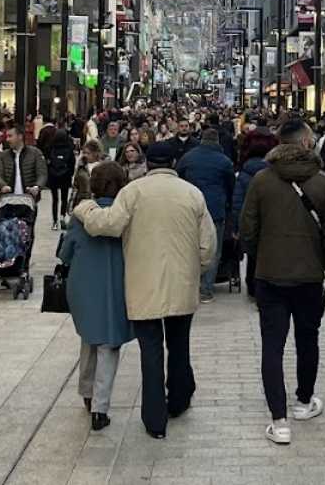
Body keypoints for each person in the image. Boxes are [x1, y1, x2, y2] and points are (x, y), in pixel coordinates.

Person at [70, 140, 215, 439]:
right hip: (181, 284)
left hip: (142, 284)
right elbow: (207, 245)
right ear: (174, 163)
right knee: (179, 345)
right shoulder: (192, 194)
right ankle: (178, 400)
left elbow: (107, 225)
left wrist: (84, 207)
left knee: (150, 352)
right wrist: (194, 271)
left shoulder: (133, 192)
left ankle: (155, 420)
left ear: (148, 164)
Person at [240, 120, 325, 446]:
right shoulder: (324, 182)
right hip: (309, 277)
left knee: (272, 344)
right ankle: (303, 400)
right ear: (307, 143)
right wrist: (319, 260)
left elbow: (248, 229)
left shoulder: (262, 180)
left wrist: (261, 256)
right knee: (307, 338)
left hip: (271, 275)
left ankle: (279, 420)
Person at [59, 163, 135, 431]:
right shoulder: (126, 215)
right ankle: (100, 409)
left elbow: (65, 253)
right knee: (108, 345)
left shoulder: (82, 216)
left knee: (90, 339)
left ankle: (87, 394)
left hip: (83, 286)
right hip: (116, 285)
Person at [175, 128, 235, 303]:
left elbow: (178, 176)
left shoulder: (188, 157)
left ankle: (189, 286)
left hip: (189, 208)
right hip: (215, 209)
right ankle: (206, 290)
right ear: (217, 141)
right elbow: (231, 186)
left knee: (189, 247)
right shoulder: (224, 161)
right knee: (212, 250)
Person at [233, 128, 279, 299]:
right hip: (272, 220)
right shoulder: (276, 172)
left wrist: (237, 227)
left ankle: (252, 285)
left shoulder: (244, 173)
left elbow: (238, 201)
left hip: (251, 219)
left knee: (253, 254)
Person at [0, 123, 47, 200]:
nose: (7, 139)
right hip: (8, 199)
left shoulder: (35, 153)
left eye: (10, 136)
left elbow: (42, 173)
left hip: (29, 199)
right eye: (6, 136)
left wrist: (37, 187)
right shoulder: (3, 155)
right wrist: (2, 185)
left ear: (20, 136)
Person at [44, 126, 77, 230]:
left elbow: (47, 162)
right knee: (64, 198)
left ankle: (54, 222)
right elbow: (72, 163)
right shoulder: (69, 148)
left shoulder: (50, 148)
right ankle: (62, 217)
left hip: (53, 176)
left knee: (55, 199)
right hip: (65, 176)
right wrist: (70, 174)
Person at [73, 139, 105, 203]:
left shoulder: (104, 167)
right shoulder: (81, 167)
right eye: (84, 153)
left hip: (98, 202)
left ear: (96, 153)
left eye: (88, 153)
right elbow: (75, 187)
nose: (85, 155)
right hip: (83, 202)